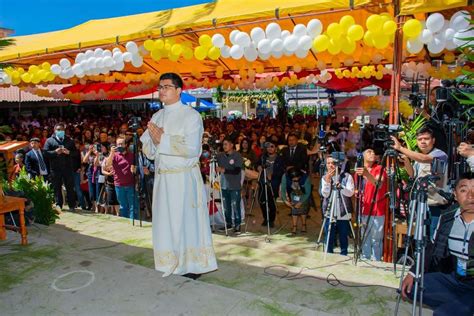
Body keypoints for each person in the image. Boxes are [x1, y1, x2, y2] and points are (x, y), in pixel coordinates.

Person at [140, 72, 217, 279]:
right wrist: (155, 143)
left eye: (166, 86)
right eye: (160, 87)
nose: (162, 90)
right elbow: (147, 147)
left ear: (178, 90)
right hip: (164, 178)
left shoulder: (191, 116)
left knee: (185, 220)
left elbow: (192, 148)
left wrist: (162, 139)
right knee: (166, 220)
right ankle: (169, 261)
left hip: (183, 178)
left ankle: (191, 264)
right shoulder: (157, 116)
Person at [401, 172, 474, 316]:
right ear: (455, 194)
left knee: (443, 314)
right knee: (413, 287)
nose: (470, 195)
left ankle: (462, 306)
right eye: (464, 190)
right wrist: (413, 272)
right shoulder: (447, 217)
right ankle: (463, 305)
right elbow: (431, 248)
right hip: (456, 279)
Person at [391, 126, 449, 240]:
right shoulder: (418, 157)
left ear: (433, 140)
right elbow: (412, 174)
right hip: (421, 203)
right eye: (420, 139)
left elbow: (424, 158)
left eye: (426, 138)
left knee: (433, 238)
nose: (423, 141)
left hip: (436, 205)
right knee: (421, 237)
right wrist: (407, 161)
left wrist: (400, 148)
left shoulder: (440, 154)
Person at [355, 148, 388, 261]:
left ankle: (376, 261)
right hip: (362, 208)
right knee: (364, 238)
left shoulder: (379, 168)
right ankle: (365, 259)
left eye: (374, 152)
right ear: (362, 156)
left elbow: (378, 184)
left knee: (376, 239)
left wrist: (367, 174)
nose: (373, 153)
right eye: (369, 152)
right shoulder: (358, 171)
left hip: (376, 210)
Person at [321, 155, 354, 256]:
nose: (331, 165)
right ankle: (328, 254)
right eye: (328, 163)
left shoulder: (347, 176)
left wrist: (341, 187)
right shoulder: (324, 177)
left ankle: (344, 254)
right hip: (329, 210)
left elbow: (350, 193)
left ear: (338, 164)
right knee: (329, 235)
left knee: (343, 236)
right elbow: (325, 194)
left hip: (343, 211)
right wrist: (327, 181)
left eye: (333, 163)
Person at [43, 123, 77, 210]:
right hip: (55, 169)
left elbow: (76, 153)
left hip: (68, 168)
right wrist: (55, 152)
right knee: (57, 187)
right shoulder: (49, 140)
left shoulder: (69, 140)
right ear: (55, 130)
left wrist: (69, 152)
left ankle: (72, 205)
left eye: (62, 130)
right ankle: (59, 205)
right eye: (58, 130)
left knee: (70, 187)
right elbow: (45, 153)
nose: (60, 131)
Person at [217, 138, 243, 234]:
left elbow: (237, 171)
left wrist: (224, 170)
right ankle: (228, 223)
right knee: (226, 206)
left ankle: (237, 224)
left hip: (234, 185)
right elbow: (214, 161)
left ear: (232, 145)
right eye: (223, 144)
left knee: (235, 205)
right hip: (224, 185)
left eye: (226, 144)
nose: (224, 146)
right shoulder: (220, 156)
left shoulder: (237, 155)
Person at [106, 136, 136, 219]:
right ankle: (125, 224)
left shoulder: (131, 155)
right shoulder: (114, 155)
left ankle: (133, 223)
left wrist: (134, 169)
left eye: (121, 144)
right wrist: (112, 153)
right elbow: (107, 165)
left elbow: (137, 168)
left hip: (130, 184)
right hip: (119, 185)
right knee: (123, 207)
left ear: (125, 144)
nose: (119, 145)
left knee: (133, 206)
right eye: (118, 144)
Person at [257, 141, 285, 228]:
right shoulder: (262, 157)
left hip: (274, 182)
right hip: (262, 181)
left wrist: (272, 176)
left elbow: (281, 171)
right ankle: (266, 218)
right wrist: (258, 167)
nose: (270, 148)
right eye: (268, 147)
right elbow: (257, 164)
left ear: (276, 148)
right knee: (261, 200)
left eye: (272, 146)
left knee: (271, 202)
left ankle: (271, 220)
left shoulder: (280, 158)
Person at [281, 167, 311, 235]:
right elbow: (283, 189)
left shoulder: (305, 178)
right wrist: (285, 201)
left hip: (303, 194)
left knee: (303, 209)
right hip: (293, 193)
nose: (296, 180)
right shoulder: (285, 177)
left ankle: (304, 225)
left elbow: (308, 192)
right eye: (294, 179)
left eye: (297, 179)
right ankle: (294, 226)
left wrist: (301, 202)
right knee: (294, 209)